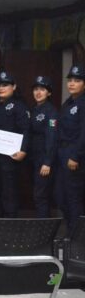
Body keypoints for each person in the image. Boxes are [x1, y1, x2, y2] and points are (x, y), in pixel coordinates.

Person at [0, 70, 29, 218]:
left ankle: (10, 222)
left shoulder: (20, 106)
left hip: (10, 156)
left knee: (9, 190)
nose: (1, 88)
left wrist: (23, 150)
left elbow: (26, 130)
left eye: (5, 85)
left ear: (14, 86)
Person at [55, 65, 85, 232]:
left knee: (74, 197)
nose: (72, 83)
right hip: (62, 153)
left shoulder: (83, 103)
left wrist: (75, 156)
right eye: (70, 80)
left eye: (77, 80)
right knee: (61, 196)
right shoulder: (68, 103)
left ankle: (76, 236)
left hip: (74, 154)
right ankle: (70, 230)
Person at [29, 76, 58, 219]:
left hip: (43, 160)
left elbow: (52, 138)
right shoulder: (34, 109)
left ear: (49, 93)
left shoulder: (51, 111)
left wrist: (47, 162)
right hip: (33, 157)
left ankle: (43, 228)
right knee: (38, 193)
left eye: (42, 89)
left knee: (41, 195)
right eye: (36, 89)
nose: (38, 92)